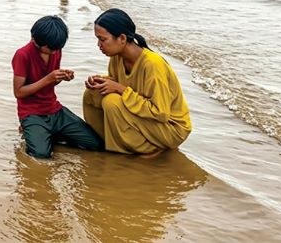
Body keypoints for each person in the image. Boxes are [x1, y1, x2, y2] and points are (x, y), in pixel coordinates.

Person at [83, 9, 192, 155]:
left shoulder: (153, 65)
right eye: (98, 39)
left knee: (112, 102)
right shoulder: (117, 57)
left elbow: (161, 113)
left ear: (122, 38)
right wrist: (102, 81)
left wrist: (119, 89)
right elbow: (122, 83)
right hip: (147, 119)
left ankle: (146, 149)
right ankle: (105, 141)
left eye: (102, 40)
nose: (99, 45)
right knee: (93, 94)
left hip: (170, 128)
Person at [13, 16, 103, 159]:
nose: (55, 52)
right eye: (51, 49)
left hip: (54, 109)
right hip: (32, 113)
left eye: (57, 48)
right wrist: (49, 78)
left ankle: (45, 134)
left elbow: (50, 83)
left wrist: (60, 78)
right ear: (36, 41)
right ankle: (33, 130)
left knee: (95, 144)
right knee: (41, 155)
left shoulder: (55, 50)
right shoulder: (22, 55)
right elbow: (18, 92)